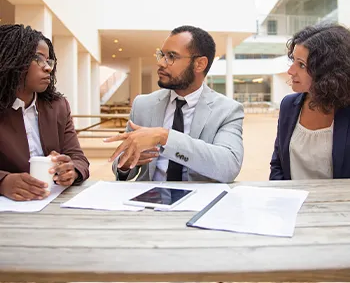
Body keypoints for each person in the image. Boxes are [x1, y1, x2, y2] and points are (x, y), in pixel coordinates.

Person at [106, 25, 244, 183]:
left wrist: (164, 137)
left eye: (171, 56)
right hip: (148, 201)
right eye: (161, 55)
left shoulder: (227, 110)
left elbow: (228, 166)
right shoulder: (143, 105)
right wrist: (126, 164)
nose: (161, 63)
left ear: (199, 64)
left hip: (199, 202)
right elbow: (121, 167)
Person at [0, 24, 89, 201]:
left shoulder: (58, 106)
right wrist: (3, 182)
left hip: (51, 203)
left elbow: (79, 159)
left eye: (49, 61)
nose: (47, 67)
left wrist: (71, 170)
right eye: (38, 59)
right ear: (12, 59)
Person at [270, 23, 350, 180]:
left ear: (327, 72)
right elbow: (278, 165)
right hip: (294, 202)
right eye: (293, 60)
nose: (290, 71)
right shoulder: (288, 106)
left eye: (301, 64)